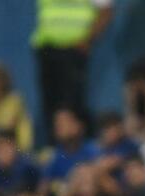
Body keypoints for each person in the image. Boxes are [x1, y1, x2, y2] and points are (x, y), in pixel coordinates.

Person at [31, 0, 114, 137]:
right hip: (47, 47)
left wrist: (87, 40)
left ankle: (78, 151)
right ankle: (56, 153)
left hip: (74, 50)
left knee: (72, 106)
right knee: (50, 106)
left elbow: (106, 11)